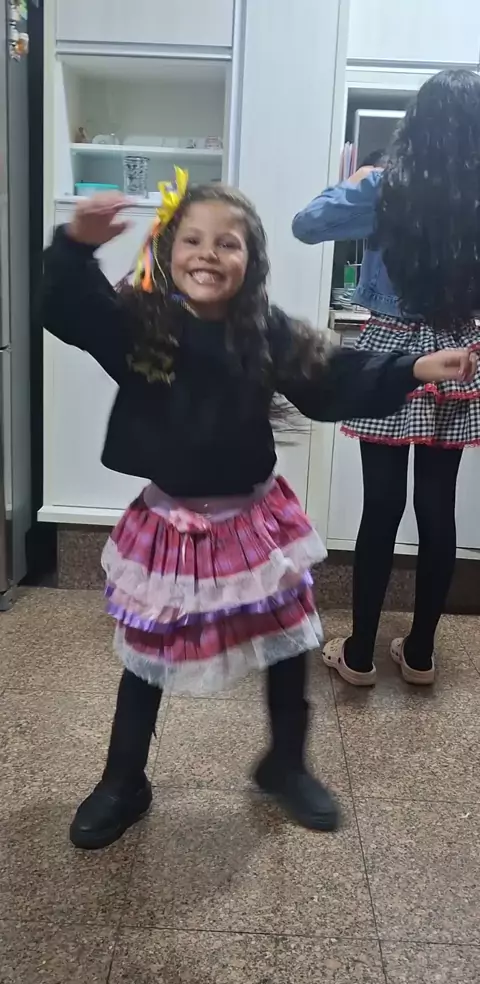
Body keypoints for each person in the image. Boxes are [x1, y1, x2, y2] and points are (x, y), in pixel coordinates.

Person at [41, 172, 474, 850]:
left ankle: (285, 764)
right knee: (147, 655)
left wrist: (413, 369)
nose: (209, 254)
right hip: (172, 526)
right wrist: (74, 244)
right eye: (193, 240)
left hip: (254, 520)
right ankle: (124, 780)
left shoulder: (266, 332)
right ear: (168, 250)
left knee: (288, 641)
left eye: (228, 243)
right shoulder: (140, 324)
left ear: (253, 259)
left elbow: (333, 378)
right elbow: (71, 309)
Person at [293, 68, 480, 689]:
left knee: (381, 507)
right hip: (457, 352)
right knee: (438, 506)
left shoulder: (384, 186)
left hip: (391, 352)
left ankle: (360, 655)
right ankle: (421, 655)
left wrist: (359, 177)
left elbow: (308, 223)